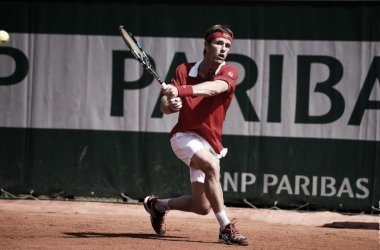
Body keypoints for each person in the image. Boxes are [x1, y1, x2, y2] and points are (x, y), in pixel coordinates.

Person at [143, 24, 249, 246]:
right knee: (211, 166)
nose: (223, 49)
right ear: (206, 45)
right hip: (184, 136)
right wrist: (171, 104)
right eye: (219, 43)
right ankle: (225, 229)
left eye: (227, 45)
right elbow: (164, 105)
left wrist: (181, 91)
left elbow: (215, 88)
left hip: (210, 142)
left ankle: (157, 205)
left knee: (201, 207)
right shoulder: (184, 70)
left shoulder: (230, 71)